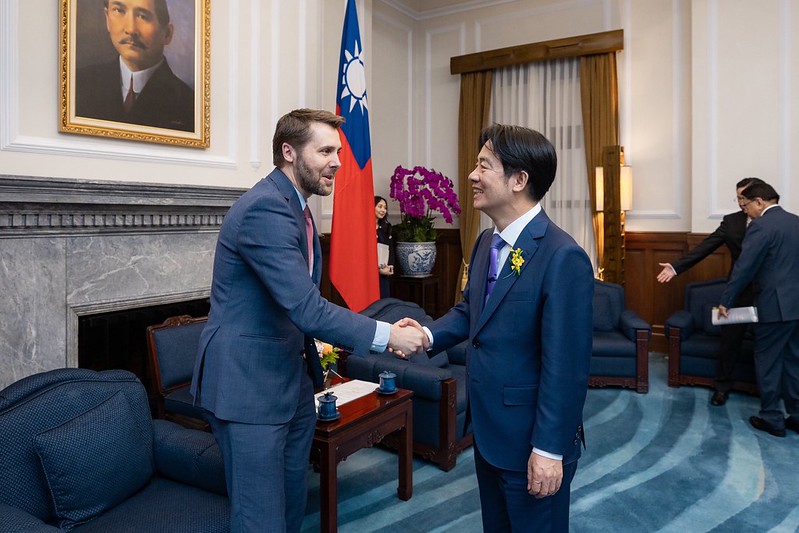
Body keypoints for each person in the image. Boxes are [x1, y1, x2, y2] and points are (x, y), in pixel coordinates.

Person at [189, 109, 427, 533]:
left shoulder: (297, 207)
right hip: (248, 389)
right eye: (325, 151)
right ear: (288, 151)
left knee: (291, 506)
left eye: (337, 150)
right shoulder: (265, 209)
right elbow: (306, 308)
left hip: (290, 383)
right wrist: (387, 334)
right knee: (260, 518)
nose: (337, 161)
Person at [402, 124, 593, 531]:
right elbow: (473, 312)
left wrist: (548, 449)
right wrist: (427, 335)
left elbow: (567, 368)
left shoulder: (563, 257)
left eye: (483, 166)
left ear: (519, 180)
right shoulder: (486, 242)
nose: (471, 175)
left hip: (531, 442)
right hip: (489, 433)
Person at [656, 177, 764, 406]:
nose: (740, 202)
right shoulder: (732, 222)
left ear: (757, 198)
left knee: (767, 343)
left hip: (768, 292)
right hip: (739, 291)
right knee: (730, 342)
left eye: (744, 197)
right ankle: (722, 387)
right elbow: (706, 246)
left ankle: (767, 393)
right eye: (738, 197)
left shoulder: (773, 221)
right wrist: (676, 267)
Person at [719, 182, 799, 438]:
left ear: (760, 202)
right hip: (796, 306)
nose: (746, 211)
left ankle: (772, 418)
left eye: (747, 204)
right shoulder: (796, 222)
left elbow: (745, 267)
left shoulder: (761, 226)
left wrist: (727, 300)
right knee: (794, 361)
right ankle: (796, 415)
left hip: (773, 307)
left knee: (767, 361)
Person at [75, 0, 194, 132]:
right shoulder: (78, 83)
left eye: (143, 16)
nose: (130, 29)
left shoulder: (188, 104)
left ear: (167, 34)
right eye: (119, 11)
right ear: (107, 18)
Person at [375, 195, 394, 298]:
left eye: (385, 208)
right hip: (370, 273)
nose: (383, 210)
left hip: (384, 272)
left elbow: (390, 249)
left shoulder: (386, 228)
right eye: (380, 206)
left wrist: (390, 267)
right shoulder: (365, 228)